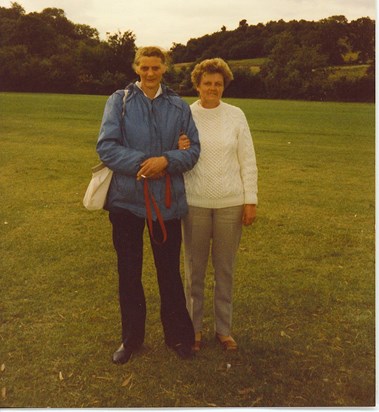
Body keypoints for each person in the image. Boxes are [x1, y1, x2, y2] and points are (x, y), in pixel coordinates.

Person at [96, 46, 200, 364]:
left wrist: (167, 160)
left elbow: (193, 150)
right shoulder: (120, 101)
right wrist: (145, 162)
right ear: (136, 68)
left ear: (164, 68)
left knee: (168, 272)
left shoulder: (178, 106)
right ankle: (131, 340)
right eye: (145, 67)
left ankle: (178, 338)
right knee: (129, 273)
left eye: (156, 67)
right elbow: (107, 147)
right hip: (126, 202)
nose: (150, 73)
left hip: (166, 205)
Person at [179, 58, 258, 352]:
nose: (212, 88)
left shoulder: (236, 115)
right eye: (207, 83)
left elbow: (247, 159)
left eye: (218, 84)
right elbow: (176, 151)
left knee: (225, 269)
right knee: (194, 270)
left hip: (230, 204)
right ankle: (193, 330)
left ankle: (223, 330)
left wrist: (250, 200)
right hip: (194, 203)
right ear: (197, 85)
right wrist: (179, 147)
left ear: (224, 86)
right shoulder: (184, 114)